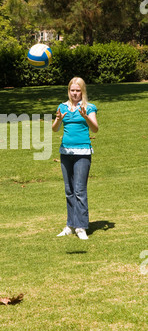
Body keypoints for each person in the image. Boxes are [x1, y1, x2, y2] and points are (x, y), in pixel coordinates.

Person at [52, 77, 98, 240]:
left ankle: (81, 227)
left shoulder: (89, 107)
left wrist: (86, 116)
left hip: (83, 152)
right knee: (69, 190)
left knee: (79, 190)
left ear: (82, 91)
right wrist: (58, 119)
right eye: (72, 90)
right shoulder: (62, 106)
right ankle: (70, 225)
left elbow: (95, 129)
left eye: (78, 90)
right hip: (65, 152)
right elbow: (55, 129)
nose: (75, 93)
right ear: (69, 91)